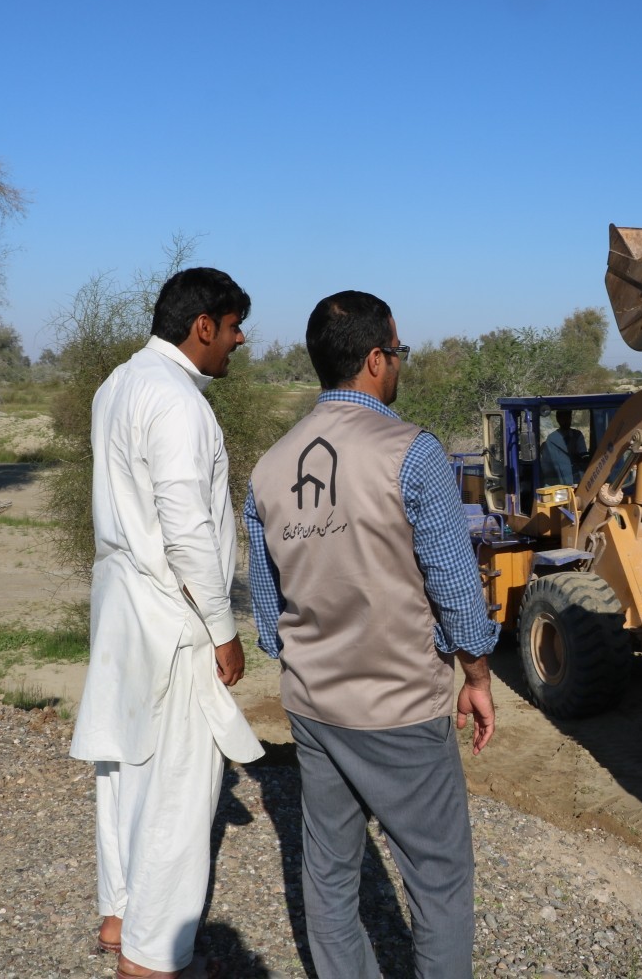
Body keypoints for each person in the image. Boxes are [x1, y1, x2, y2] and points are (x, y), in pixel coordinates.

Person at [245, 289, 496, 979]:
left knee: (328, 871)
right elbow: (453, 585)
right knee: (438, 875)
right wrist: (476, 677)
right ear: (378, 359)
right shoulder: (409, 452)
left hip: (315, 708)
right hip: (401, 708)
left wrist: (308, 662)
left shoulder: (268, 467)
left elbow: (268, 612)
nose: (399, 362)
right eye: (399, 351)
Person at [68, 268, 264, 979]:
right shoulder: (177, 402)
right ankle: (152, 959)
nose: (240, 341)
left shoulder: (118, 383)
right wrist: (222, 627)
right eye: (235, 326)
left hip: (122, 598)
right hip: (170, 604)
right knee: (181, 782)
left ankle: (121, 915)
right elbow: (185, 527)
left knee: (123, 764)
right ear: (203, 325)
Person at [540, 409, 588, 487]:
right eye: (563, 418)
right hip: (559, 482)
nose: (566, 420)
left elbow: (583, 455)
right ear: (558, 419)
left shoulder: (577, 435)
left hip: (578, 479)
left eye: (568, 417)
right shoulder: (552, 439)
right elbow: (547, 465)